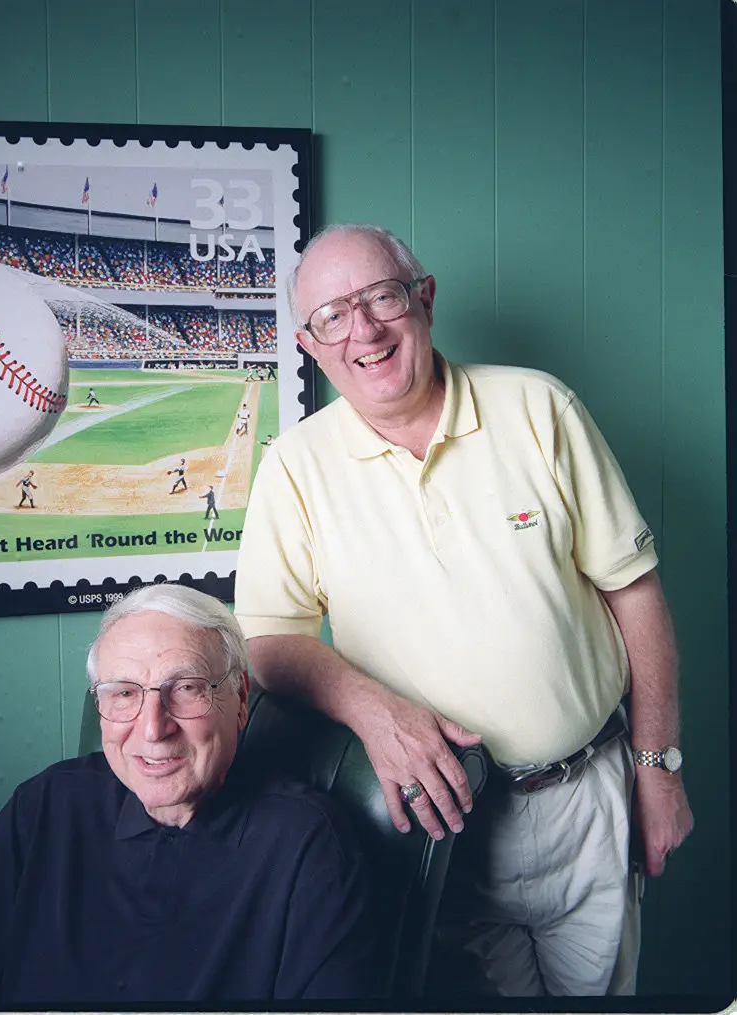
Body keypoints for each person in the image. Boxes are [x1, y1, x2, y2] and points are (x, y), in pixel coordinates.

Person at [233, 223, 693, 997]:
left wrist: (660, 769)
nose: (363, 331)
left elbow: (635, 593)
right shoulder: (293, 468)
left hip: (589, 797)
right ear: (310, 345)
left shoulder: (540, 407)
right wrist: (374, 711)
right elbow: (271, 642)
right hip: (438, 823)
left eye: (382, 298)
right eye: (332, 316)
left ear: (425, 299)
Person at [0, 584, 379, 1008]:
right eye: (124, 693)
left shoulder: (308, 846)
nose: (152, 728)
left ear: (239, 699)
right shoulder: (49, 806)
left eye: (186, 688)